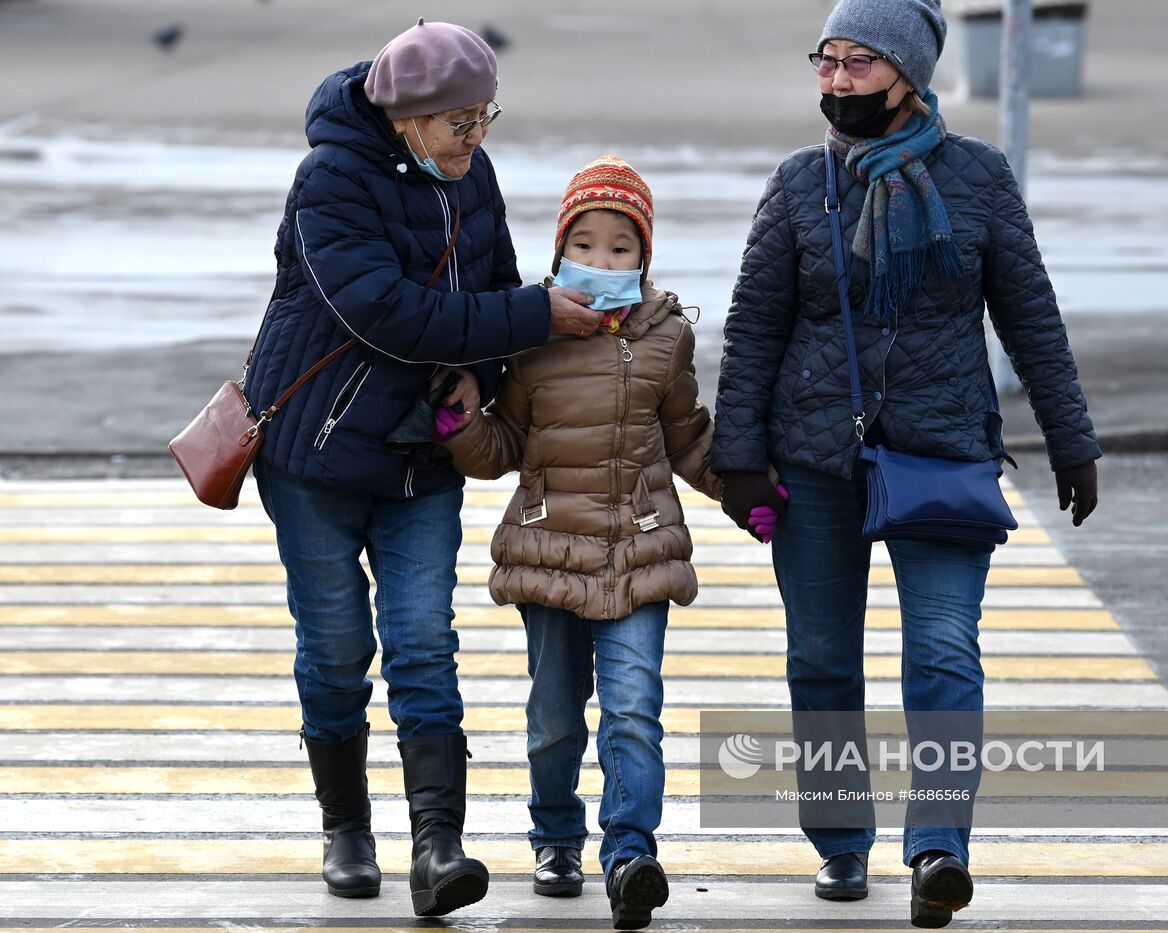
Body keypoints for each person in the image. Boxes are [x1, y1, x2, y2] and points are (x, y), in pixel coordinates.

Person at [711, 0, 1102, 927]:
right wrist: (738, 457)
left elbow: (1030, 319)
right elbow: (756, 325)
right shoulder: (800, 184)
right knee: (821, 660)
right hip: (813, 457)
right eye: (826, 61)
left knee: (941, 652)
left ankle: (938, 847)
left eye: (856, 64)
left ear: (908, 77)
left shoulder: (979, 179)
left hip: (940, 451)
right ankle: (843, 842)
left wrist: (1073, 438)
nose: (835, 81)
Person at [242, 18, 602, 918]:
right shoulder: (330, 179)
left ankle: (438, 846)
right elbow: (385, 314)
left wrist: (487, 386)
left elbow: (496, 287)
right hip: (316, 456)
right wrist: (528, 316)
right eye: (459, 123)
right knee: (335, 654)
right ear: (406, 116)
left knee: (423, 647)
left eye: (486, 118)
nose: (476, 139)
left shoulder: (469, 174)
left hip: (420, 458)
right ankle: (346, 830)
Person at [436, 156, 726, 930]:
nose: (602, 262)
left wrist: (750, 492)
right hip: (549, 554)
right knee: (555, 716)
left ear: (645, 258)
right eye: (587, 244)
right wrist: (462, 424)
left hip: (641, 553)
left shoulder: (666, 338)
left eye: (621, 248)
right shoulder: (531, 334)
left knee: (634, 709)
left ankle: (630, 852)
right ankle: (556, 834)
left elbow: (689, 437)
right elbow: (505, 448)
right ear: (562, 248)